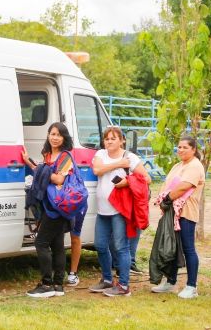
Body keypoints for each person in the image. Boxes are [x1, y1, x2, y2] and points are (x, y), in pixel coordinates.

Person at [89, 125, 147, 297]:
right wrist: (119, 164)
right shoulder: (100, 154)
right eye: (106, 139)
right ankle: (107, 280)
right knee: (100, 245)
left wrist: (128, 181)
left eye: (113, 138)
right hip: (102, 210)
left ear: (122, 140)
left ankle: (123, 285)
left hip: (120, 210)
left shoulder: (131, 157)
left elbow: (146, 178)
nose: (109, 141)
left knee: (121, 247)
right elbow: (97, 170)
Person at [22, 122, 76, 298]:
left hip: (58, 206)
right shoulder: (47, 155)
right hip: (49, 204)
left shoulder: (65, 156)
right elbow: (42, 171)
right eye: (52, 133)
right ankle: (58, 285)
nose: (55, 137)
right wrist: (29, 162)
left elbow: (59, 180)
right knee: (57, 244)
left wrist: (43, 172)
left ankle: (46, 285)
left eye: (59, 135)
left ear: (64, 138)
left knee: (41, 243)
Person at [150, 135, 206, 299]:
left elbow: (184, 187)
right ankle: (170, 281)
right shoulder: (178, 165)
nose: (180, 150)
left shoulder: (195, 166)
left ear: (193, 150)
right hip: (172, 212)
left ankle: (191, 286)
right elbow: (166, 184)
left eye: (185, 147)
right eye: (179, 147)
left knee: (188, 248)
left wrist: (167, 199)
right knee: (173, 249)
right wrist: (162, 198)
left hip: (186, 213)